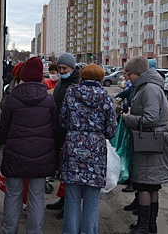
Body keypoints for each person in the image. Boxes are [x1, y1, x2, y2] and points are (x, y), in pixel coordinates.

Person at [0, 56, 58, 234]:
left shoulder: (12, 100)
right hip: (41, 158)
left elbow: (3, 131)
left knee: (12, 196)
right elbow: (55, 130)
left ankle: (9, 231)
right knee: (37, 198)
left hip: (15, 155)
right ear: (41, 77)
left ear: (22, 76)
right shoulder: (49, 101)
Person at [60, 64, 117, 234]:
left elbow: (62, 120)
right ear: (100, 79)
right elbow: (111, 129)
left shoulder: (71, 93)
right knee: (92, 201)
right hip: (96, 152)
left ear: (82, 77)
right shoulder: (106, 97)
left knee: (71, 200)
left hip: (73, 147)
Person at [122, 56, 168, 234]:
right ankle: (150, 224)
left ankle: (144, 226)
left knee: (144, 184)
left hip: (149, 141)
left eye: (129, 74)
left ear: (139, 72)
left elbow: (151, 118)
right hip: (152, 140)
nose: (128, 78)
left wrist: (129, 119)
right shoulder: (149, 86)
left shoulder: (149, 88)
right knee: (151, 184)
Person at [46, 52, 81, 219]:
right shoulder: (62, 82)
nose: (61, 71)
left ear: (72, 68)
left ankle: (68, 204)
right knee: (62, 170)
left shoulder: (76, 83)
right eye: (59, 68)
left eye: (64, 68)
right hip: (58, 130)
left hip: (69, 132)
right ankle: (62, 198)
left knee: (69, 171)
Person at [0, 61, 24, 175]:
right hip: (8, 122)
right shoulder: (9, 87)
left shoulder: (11, 86)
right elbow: (3, 104)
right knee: (2, 147)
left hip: (15, 124)